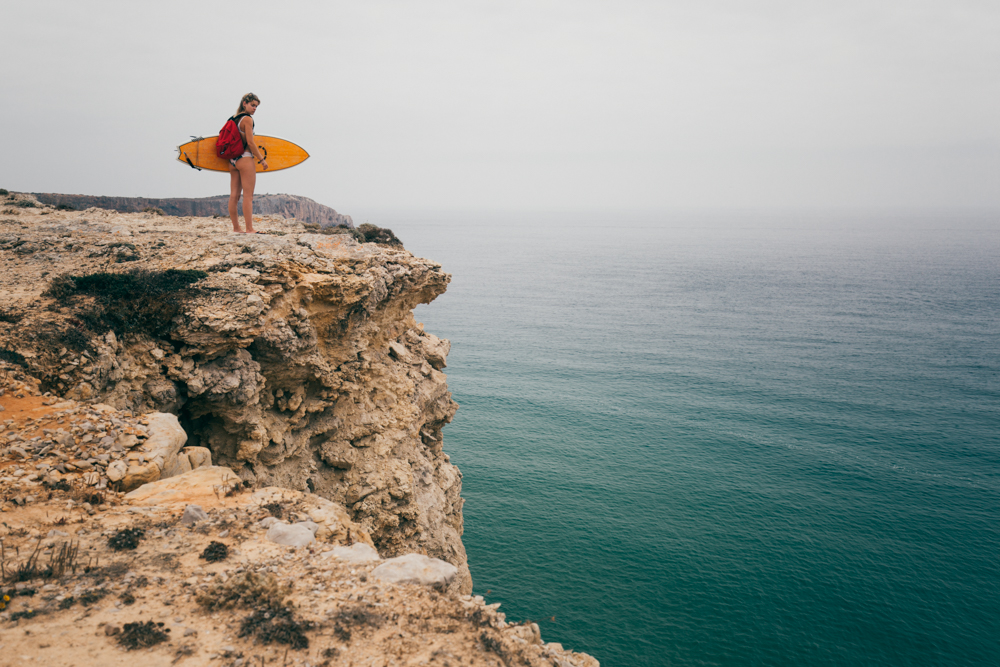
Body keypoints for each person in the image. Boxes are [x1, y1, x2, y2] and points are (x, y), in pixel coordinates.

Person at [228, 93, 269, 233]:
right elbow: (250, 143)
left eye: (256, 107)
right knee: (248, 196)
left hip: (232, 161)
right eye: (253, 105)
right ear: (244, 103)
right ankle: (249, 229)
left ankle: (236, 228)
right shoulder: (247, 120)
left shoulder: (232, 119)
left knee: (234, 195)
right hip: (245, 159)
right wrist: (262, 160)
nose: (254, 109)